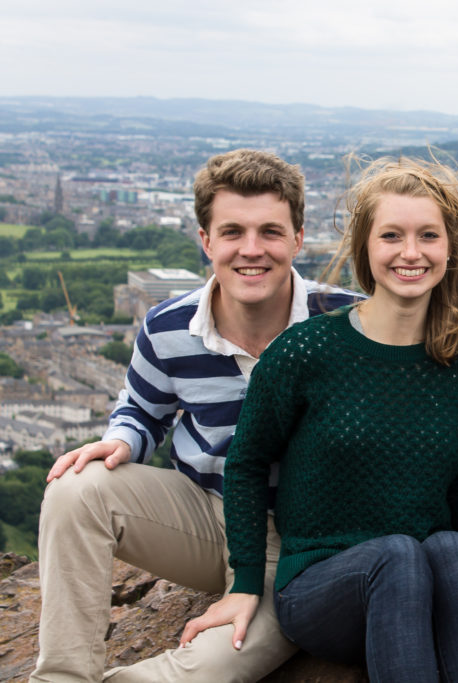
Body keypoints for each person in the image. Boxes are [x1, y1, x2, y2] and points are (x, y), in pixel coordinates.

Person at [180, 156, 458, 682]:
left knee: (448, 545)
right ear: (365, 247)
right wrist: (245, 583)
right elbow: (246, 464)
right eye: (391, 236)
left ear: (448, 249)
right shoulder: (306, 351)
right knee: (402, 555)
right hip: (319, 585)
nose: (411, 253)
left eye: (428, 236)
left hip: (423, 579)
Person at [32, 149, 363, 682]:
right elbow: (143, 409)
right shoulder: (169, 325)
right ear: (206, 240)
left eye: (270, 233)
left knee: (207, 673)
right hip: (206, 516)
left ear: (298, 239)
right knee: (75, 488)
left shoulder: (350, 324)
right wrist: (123, 440)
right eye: (232, 232)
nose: (251, 250)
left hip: (299, 546)